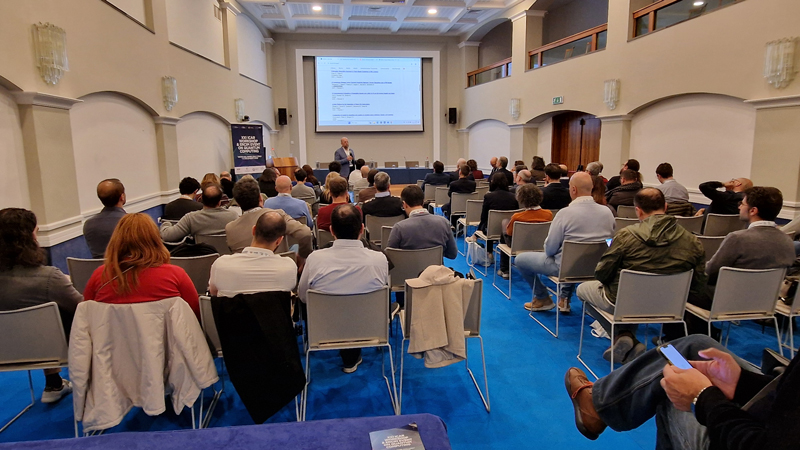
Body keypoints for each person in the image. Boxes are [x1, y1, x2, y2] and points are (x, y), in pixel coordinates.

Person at [565, 333, 800, 448]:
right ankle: (601, 404)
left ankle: (598, 408)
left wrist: (702, 397)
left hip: (744, 437)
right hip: (773, 410)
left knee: (670, 384)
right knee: (695, 346)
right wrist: (740, 382)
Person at [576, 188, 706, 363]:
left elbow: (602, 273)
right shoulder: (693, 241)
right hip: (670, 305)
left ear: (638, 210)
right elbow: (698, 283)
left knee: (582, 290)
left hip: (625, 301)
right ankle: (672, 357)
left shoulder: (626, 235)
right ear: (665, 207)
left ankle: (623, 335)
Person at [0, 208, 82, 403]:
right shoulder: (49, 278)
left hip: (7, 352)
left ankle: (54, 383)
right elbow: (84, 308)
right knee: (72, 314)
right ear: (29, 238)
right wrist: (65, 284)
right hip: (54, 350)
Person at [298, 204, 389, 373]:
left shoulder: (315, 259)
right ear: (362, 229)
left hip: (324, 329)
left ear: (331, 230)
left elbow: (303, 297)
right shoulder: (379, 259)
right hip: (369, 327)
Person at [517, 172, 615, 313]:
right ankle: (564, 298)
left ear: (573, 189)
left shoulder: (565, 213)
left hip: (566, 268)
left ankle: (542, 297)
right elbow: (609, 242)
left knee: (520, 260)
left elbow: (550, 250)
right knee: (572, 256)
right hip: (596, 267)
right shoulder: (607, 212)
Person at [84, 213, 200, 319]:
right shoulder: (175, 276)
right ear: (155, 240)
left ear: (117, 240)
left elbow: (87, 316)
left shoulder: (101, 276)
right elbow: (196, 314)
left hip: (111, 336)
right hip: (165, 336)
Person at [705, 186, 796, 286]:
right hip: (769, 294)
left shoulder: (737, 238)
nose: (739, 207)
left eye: (742, 204)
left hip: (730, 292)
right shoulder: (787, 240)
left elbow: (709, 273)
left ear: (753, 210)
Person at [209, 211, 298, 297]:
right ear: (279, 240)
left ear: (253, 230)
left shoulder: (221, 264)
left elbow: (213, 293)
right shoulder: (289, 267)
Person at [225, 177, 313, 261]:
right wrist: (302, 258)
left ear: (238, 203)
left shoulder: (230, 228)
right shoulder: (278, 216)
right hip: (280, 267)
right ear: (260, 198)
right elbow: (305, 233)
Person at [386, 185, 458, 260]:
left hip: (408, 267)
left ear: (404, 204)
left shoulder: (399, 228)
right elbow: (452, 254)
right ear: (423, 202)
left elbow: (390, 256)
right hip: (435, 266)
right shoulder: (444, 223)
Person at [497, 184, 553, 279]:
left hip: (519, 245)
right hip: (539, 244)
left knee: (504, 229)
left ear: (521, 199)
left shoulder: (517, 217)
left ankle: (504, 269)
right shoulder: (548, 214)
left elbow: (509, 233)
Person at [160, 184, 239, 242]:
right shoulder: (233, 216)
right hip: (227, 257)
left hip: (201, 258)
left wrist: (166, 223)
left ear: (201, 199)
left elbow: (167, 236)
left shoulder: (191, 218)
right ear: (219, 202)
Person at [83, 178, 127, 258]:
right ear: (122, 197)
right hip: (125, 266)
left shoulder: (88, 224)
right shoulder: (131, 223)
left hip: (100, 266)